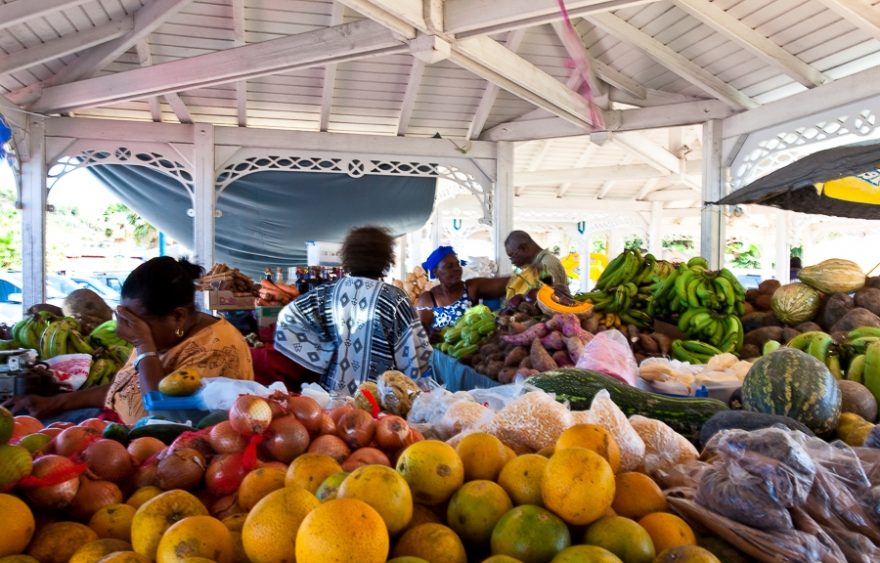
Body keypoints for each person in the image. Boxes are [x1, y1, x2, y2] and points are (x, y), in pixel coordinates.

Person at [5, 257, 254, 425]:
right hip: (110, 421)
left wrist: (143, 346)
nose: (125, 329)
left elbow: (163, 415)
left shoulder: (218, 347)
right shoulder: (161, 335)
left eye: (136, 322)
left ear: (177, 316)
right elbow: (124, 388)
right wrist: (55, 402)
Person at [275, 226, 432, 395]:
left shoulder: (326, 293)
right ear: (386, 258)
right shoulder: (394, 298)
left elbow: (288, 320)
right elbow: (416, 352)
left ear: (348, 257)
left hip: (332, 399)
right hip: (380, 400)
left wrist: (323, 354)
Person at [414, 245, 508, 335]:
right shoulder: (428, 299)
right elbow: (419, 332)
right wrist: (429, 333)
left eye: (457, 264)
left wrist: (521, 276)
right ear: (435, 272)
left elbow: (506, 284)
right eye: (449, 266)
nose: (456, 269)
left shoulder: (470, 288)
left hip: (472, 349)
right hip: (442, 351)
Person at [504, 230, 569, 298]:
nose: (512, 261)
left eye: (512, 256)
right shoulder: (536, 266)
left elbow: (549, 299)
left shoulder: (546, 264)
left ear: (524, 248)